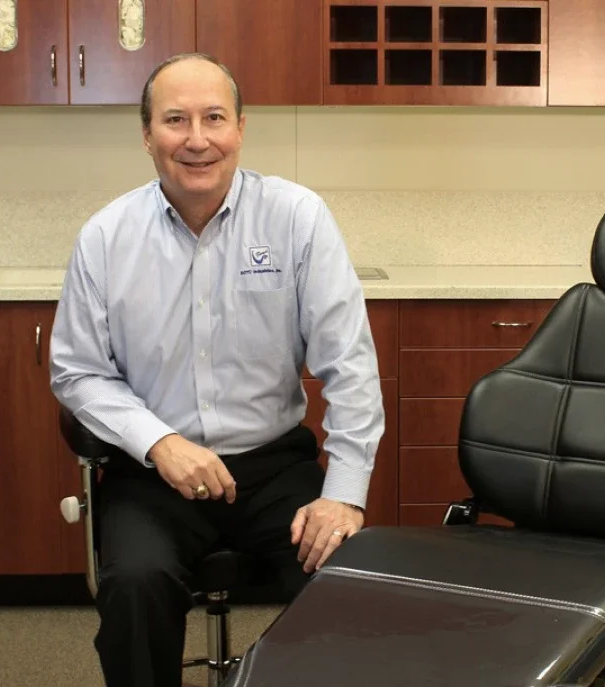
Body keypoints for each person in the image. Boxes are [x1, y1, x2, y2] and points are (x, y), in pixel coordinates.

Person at [49, 52, 385, 687]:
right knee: (135, 587)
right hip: (155, 477)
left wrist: (343, 495)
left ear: (240, 127)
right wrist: (160, 442)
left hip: (275, 468)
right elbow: (77, 371)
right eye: (175, 120)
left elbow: (351, 366)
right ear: (147, 134)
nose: (197, 139)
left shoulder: (297, 218)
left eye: (214, 118)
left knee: (343, 583)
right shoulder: (106, 237)